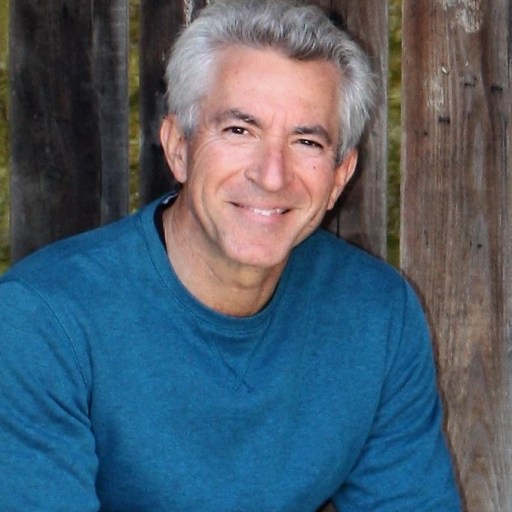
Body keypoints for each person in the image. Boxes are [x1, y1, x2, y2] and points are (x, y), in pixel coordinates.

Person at [0, 0, 461, 510]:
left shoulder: (379, 315)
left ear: (340, 177)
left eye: (306, 141)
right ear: (178, 146)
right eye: (240, 130)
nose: (272, 174)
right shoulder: (40, 321)